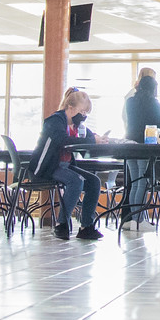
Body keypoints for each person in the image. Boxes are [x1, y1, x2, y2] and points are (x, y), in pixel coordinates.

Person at [33, 88, 103, 241]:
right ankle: (61, 224)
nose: (83, 116)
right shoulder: (55, 121)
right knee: (75, 180)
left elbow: (88, 138)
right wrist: (91, 140)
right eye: (82, 112)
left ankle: (86, 226)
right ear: (70, 108)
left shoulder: (76, 126)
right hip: (48, 166)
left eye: (86, 114)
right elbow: (63, 140)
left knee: (93, 181)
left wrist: (98, 139)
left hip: (64, 166)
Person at [121, 67, 160, 231]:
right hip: (144, 146)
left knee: (134, 183)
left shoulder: (130, 102)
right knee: (142, 182)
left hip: (129, 144)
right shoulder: (154, 103)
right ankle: (140, 221)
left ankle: (135, 220)